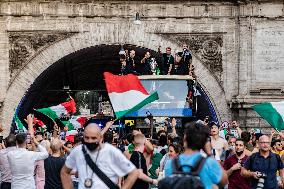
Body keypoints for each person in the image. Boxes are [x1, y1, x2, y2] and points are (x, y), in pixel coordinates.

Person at [61, 123, 138, 189]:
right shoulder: (78, 151)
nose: (90, 141)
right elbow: (64, 172)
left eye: (93, 138)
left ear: (101, 138)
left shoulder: (111, 151)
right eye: (87, 138)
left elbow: (133, 173)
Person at [164, 122, 228, 189]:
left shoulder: (171, 163)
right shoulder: (209, 163)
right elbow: (224, 181)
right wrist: (209, 153)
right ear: (204, 142)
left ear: (185, 139)